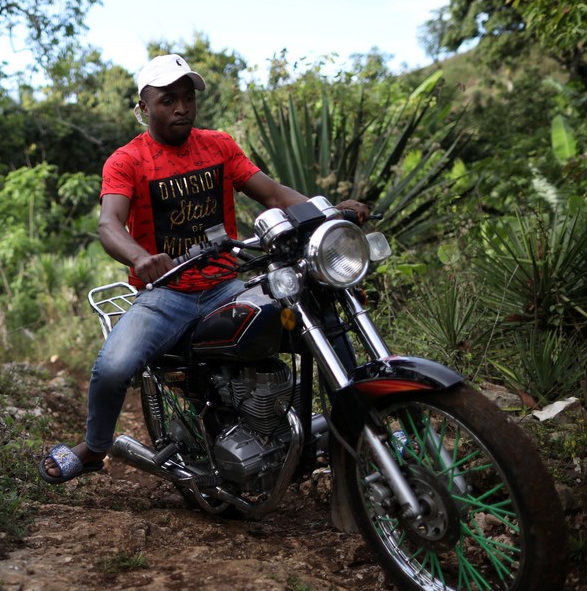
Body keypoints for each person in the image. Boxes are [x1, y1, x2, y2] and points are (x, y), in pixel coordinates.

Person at [40, 53, 368, 483]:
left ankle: (352, 428)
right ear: (143, 108)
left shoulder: (218, 145)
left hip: (227, 285)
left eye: (187, 97)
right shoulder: (127, 161)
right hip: (165, 294)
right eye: (167, 100)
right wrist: (141, 258)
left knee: (315, 319)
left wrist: (326, 210)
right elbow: (109, 224)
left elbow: (271, 193)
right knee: (114, 367)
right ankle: (95, 447)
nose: (181, 108)